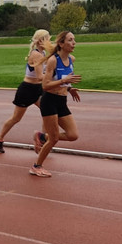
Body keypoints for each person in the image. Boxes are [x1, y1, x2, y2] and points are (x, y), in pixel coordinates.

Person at [29, 30, 81, 177]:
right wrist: (64, 82)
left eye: (74, 40)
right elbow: (45, 85)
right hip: (49, 101)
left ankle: (42, 137)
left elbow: (63, 78)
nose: (74, 43)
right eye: (70, 40)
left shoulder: (71, 59)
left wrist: (69, 88)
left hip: (61, 101)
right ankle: (36, 166)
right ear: (61, 44)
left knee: (73, 135)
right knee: (55, 138)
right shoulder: (53, 60)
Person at [0, 29, 52, 153]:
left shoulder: (44, 52)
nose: (50, 40)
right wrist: (57, 80)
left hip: (38, 89)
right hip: (27, 90)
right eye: (48, 38)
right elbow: (40, 76)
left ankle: (42, 140)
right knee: (16, 118)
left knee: (47, 112)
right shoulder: (37, 55)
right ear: (41, 41)